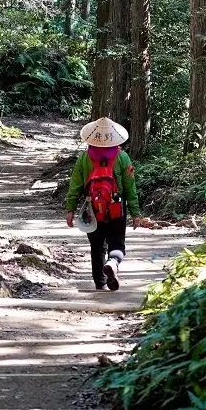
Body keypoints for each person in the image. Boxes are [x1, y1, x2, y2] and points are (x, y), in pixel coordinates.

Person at [65, 117, 146, 291]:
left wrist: (70, 208)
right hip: (117, 207)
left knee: (96, 247)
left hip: (91, 208)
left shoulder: (84, 158)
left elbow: (75, 185)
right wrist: (136, 213)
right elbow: (130, 187)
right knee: (117, 244)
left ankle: (100, 283)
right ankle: (113, 262)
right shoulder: (122, 157)